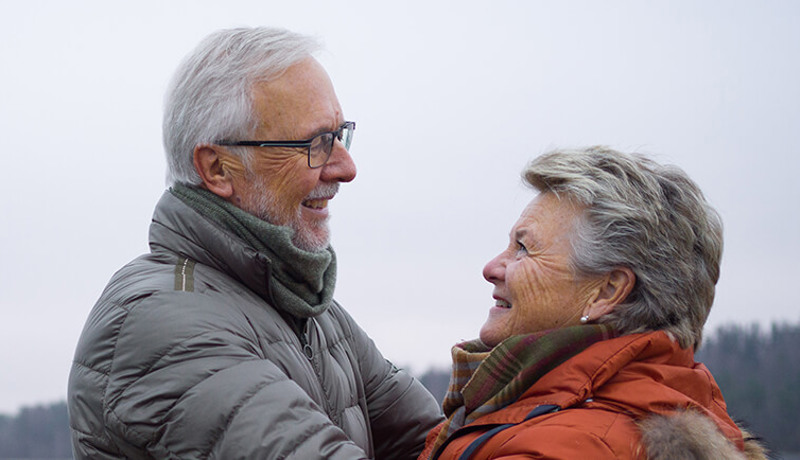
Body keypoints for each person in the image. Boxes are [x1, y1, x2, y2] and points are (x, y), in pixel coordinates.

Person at [67, 27, 443, 459]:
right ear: (218, 168)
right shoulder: (161, 319)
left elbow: (435, 444)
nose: (345, 166)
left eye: (341, 135)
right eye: (316, 143)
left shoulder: (304, 306)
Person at [419, 147, 768, 459]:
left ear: (607, 291)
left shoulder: (570, 446)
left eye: (524, 248)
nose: (492, 268)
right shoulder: (639, 416)